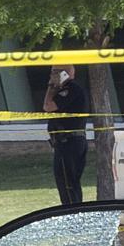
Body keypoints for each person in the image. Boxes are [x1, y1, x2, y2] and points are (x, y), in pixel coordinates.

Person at [44, 64, 89, 205]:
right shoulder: (63, 90)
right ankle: (75, 213)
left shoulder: (70, 89)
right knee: (69, 183)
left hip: (69, 142)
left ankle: (73, 216)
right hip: (67, 142)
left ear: (64, 73)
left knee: (67, 184)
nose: (52, 75)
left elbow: (48, 106)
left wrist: (51, 86)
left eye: (55, 72)